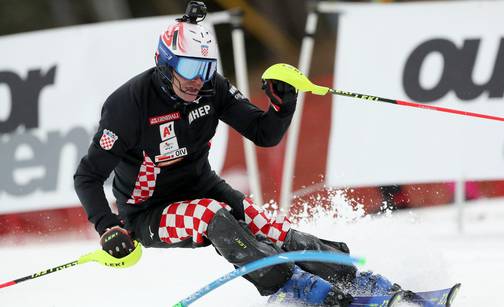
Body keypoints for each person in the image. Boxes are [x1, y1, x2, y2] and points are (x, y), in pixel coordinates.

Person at [74, 2, 400, 306]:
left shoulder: (211, 87)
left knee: (273, 229)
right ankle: (294, 289)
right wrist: (108, 226)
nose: (196, 80)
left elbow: (263, 133)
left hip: (202, 186)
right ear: (165, 62)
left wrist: (282, 105)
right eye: (189, 67)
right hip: (148, 212)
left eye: (205, 68)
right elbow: (88, 176)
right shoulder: (128, 106)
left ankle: (359, 283)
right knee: (210, 214)